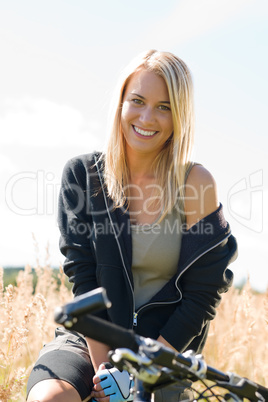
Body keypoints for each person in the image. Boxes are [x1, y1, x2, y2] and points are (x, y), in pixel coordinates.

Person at [27, 49, 238, 402]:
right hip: (91, 341)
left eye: (164, 106)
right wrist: (105, 373)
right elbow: (84, 280)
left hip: (165, 351)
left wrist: (142, 371)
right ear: (121, 104)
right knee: (50, 397)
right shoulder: (82, 175)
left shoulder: (195, 183)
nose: (147, 116)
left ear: (179, 116)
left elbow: (204, 293)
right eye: (137, 100)